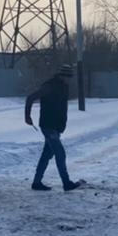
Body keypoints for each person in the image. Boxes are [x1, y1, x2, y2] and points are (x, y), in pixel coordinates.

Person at [25, 64, 80, 192]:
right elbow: (30, 98)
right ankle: (66, 183)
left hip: (56, 126)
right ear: (62, 75)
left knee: (46, 155)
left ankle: (36, 183)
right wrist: (27, 116)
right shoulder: (49, 86)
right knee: (60, 153)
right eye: (68, 77)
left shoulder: (63, 86)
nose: (69, 79)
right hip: (48, 125)